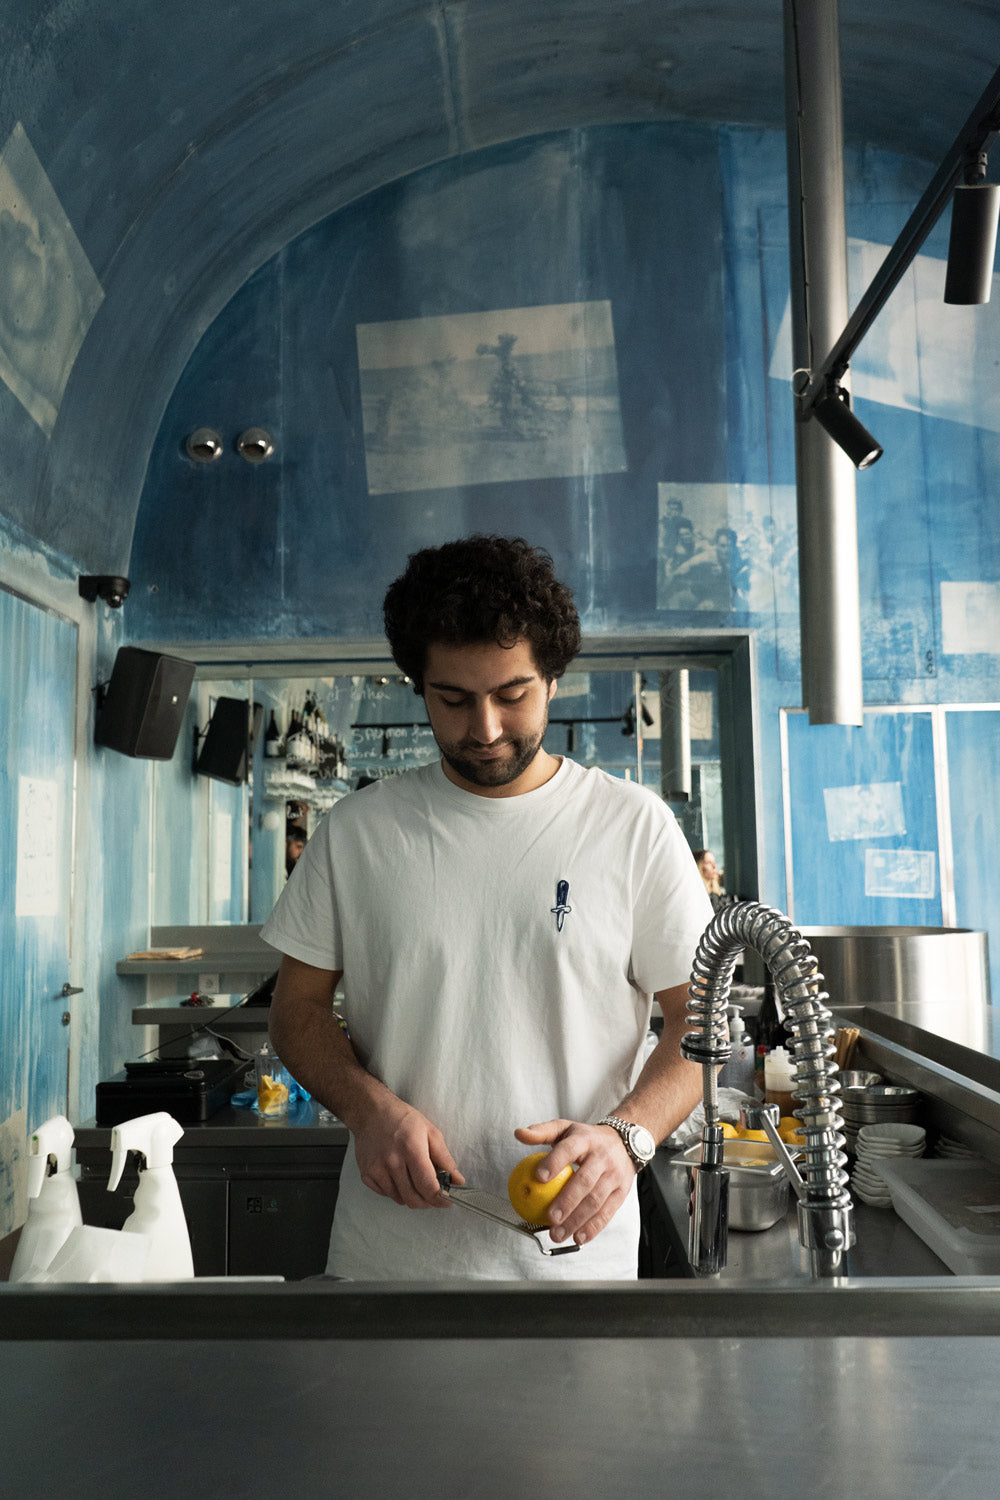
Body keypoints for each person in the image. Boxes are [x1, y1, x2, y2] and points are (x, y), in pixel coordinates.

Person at [262, 535, 713, 1280]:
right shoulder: (358, 832)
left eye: (512, 694)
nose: (486, 729)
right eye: (453, 699)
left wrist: (627, 1137)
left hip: (575, 1265)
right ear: (418, 686)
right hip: (388, 1261)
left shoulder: (632, 826)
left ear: (553, 679)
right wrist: (367, 1109)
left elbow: (701, 1024)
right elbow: (297, 1012)